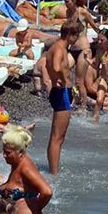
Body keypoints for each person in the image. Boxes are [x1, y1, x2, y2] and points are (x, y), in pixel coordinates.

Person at [42, 23, 80, 174]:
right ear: (71, 34)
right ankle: (54, 172)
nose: (77, 39)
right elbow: (57, 67)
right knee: (58, 137)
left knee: (56, 136)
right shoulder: (59, 48)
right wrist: (62, 79)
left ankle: (53, 169)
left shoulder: (56, 47)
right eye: (76, 35)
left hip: (60, 92)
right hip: (62, 92)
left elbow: (47, 65)